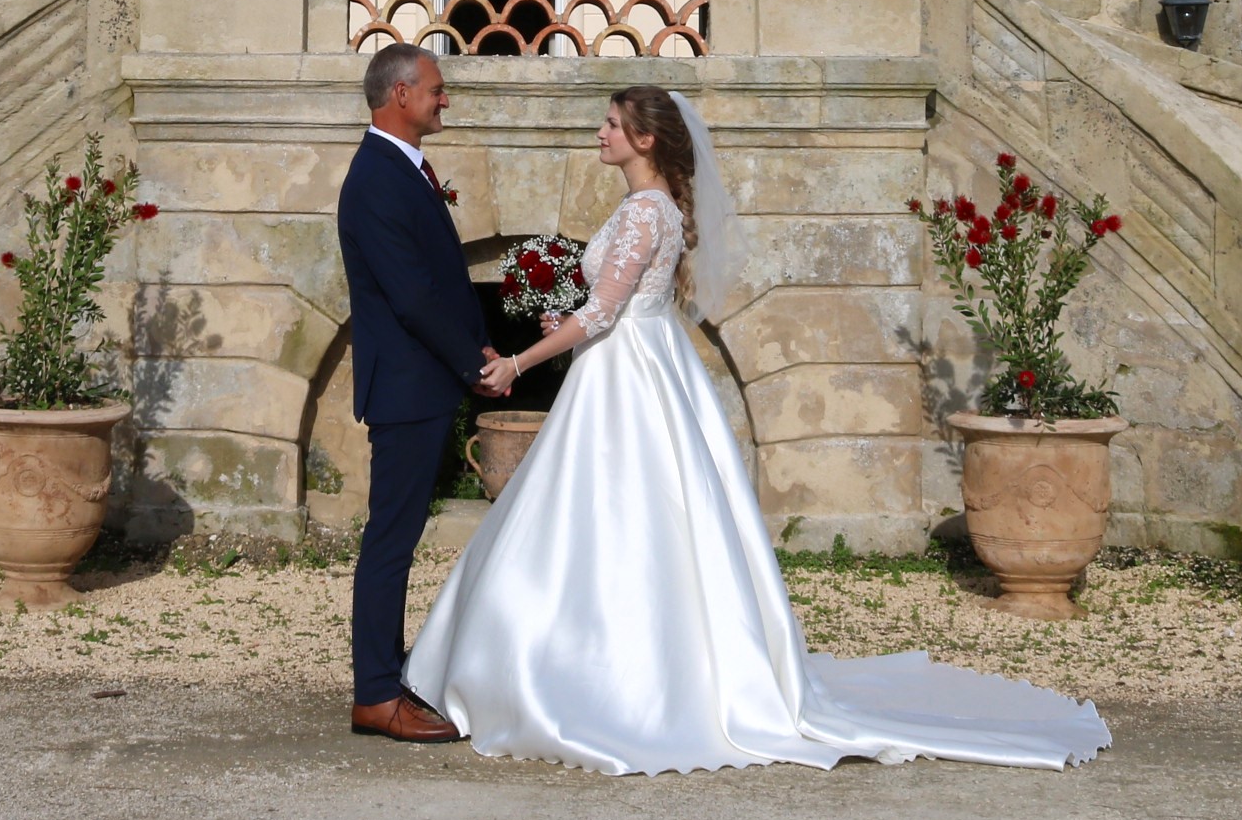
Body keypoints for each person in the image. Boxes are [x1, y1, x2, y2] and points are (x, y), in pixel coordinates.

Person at [406, 85, 1112, 775]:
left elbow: (602, 314)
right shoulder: (644, 207)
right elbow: (605, 309)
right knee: (606, 510)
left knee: (619, 508)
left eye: (613, 124)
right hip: (630, 364)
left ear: (645, 139)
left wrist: (521, 363)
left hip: (627, 371)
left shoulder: (648, 212)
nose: (601, 132)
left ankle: (611, 675)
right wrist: (566, 322)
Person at [332, 42, 498, 744]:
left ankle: (389, 675)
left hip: (422, 379)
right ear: (399, 94)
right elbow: (411, 295)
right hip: (407, 385)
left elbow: (439, 282)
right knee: (391, 539)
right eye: (435, 88)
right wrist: (476, 361)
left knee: (396, 536)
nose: (444, 99)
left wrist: (480, 346)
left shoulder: (403, 169)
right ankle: (375, 693)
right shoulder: (375, 178)